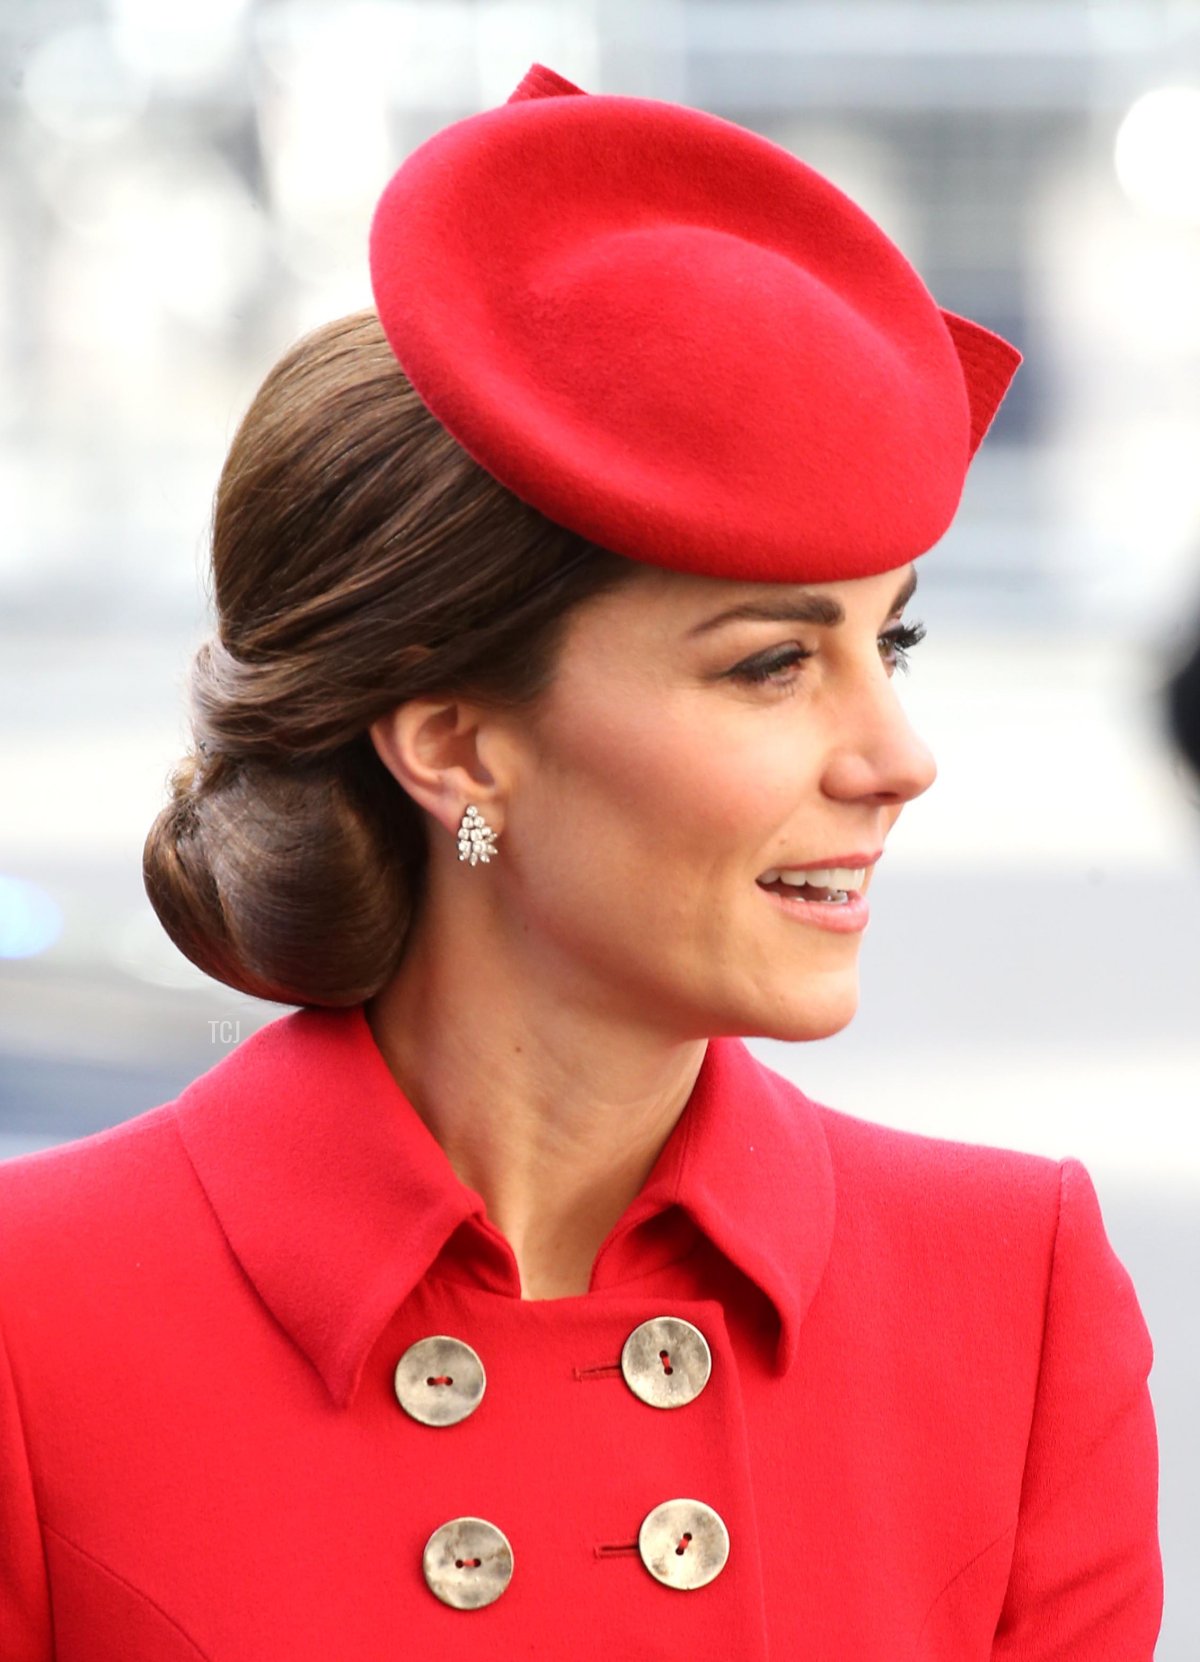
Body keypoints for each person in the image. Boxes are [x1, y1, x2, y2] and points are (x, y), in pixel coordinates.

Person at [0, 62, 1161, 1660]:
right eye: (772, 662)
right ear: (457, 741)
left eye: (889, 640)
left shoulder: (1009, 1296)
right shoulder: (38, 1322)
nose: (897, 758)